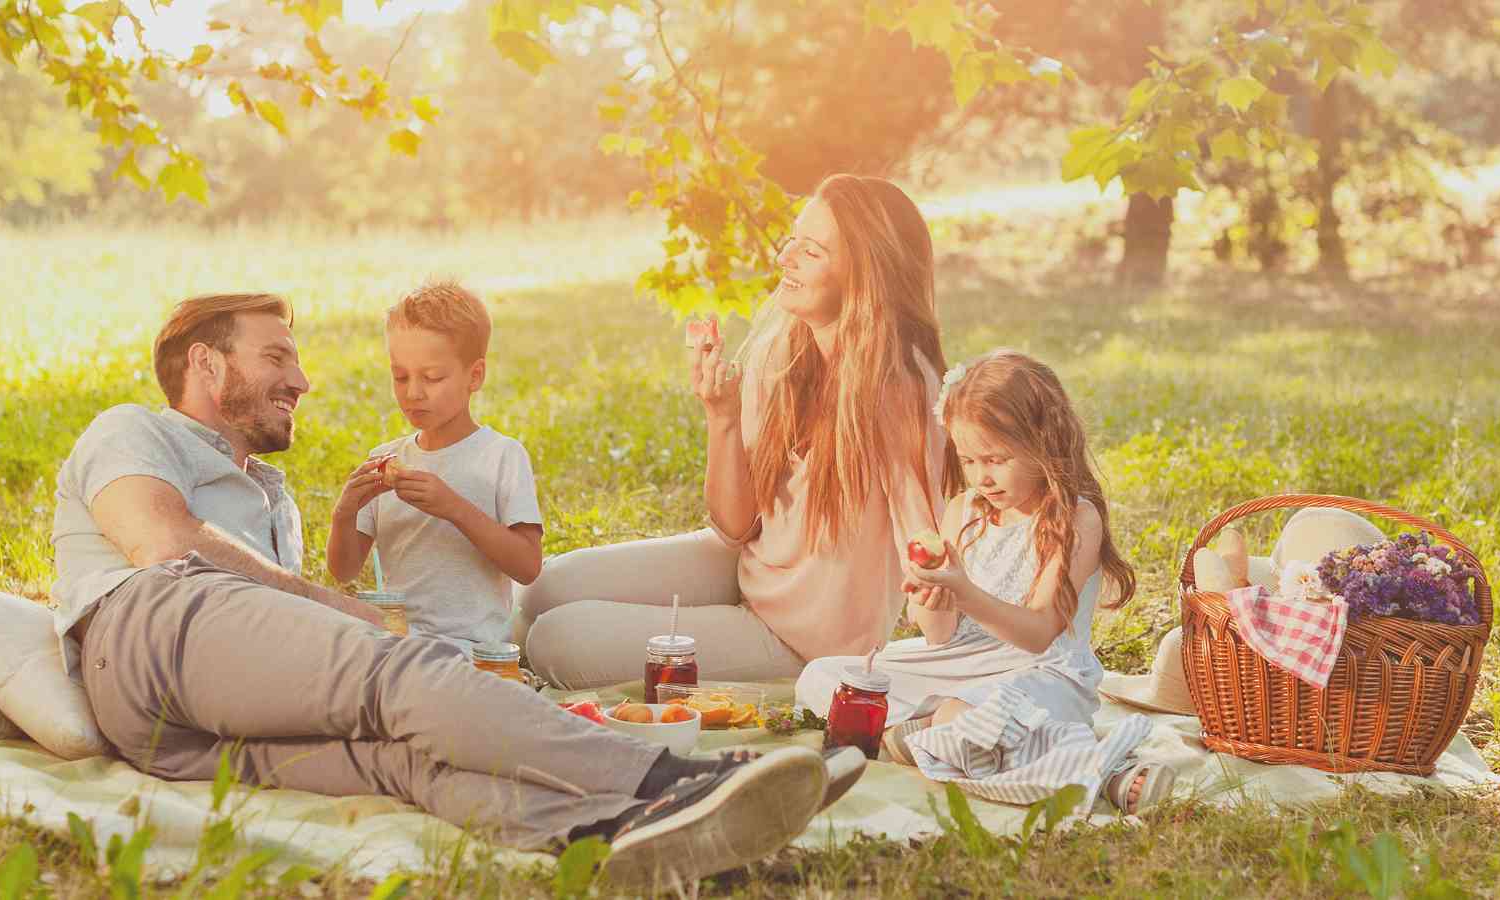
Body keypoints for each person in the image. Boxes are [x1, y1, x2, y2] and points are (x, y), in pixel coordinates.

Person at [49, 292, 841, 885]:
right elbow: (161, 541)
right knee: (400, 672)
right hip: (153, 625)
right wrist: (347, 613)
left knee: (402, 760)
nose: (303, 379)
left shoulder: (272, 496)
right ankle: (677, 779)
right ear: (207, 364)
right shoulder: (131, 428)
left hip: (174, 736)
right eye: (277, 357)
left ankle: (621, 832)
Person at [519, 174, 955, 687]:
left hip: (800, 643)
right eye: (792, 239)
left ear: (866, 277)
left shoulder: (899, 389)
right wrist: (721, 415)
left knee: (556, 640)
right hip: (745, 570)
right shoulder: (786, 353)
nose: (785, 258)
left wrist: (946, 659)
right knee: (540, 590)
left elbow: (930, 548)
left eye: (811, 251)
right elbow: (735, 526)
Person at [795, 349, 1176, 814]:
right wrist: (932, 597)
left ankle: (1105, 770)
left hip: (1042, 673)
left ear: (1043, 441)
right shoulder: (964, 510)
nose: (982, 478)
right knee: (826, 680)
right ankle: (942, 735)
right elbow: (940, 636)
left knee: (970, 715)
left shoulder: (1075, 518)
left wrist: (965, 592)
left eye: (996, 459)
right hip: (964, 663)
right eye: (969, 460)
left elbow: (1038, 634)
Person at [326, 282, 543, 646]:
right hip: (399, 644)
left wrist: (453, 507)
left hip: (475, 648)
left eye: (432, 378)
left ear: (474, 376)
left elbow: (527, 566)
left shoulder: (501, 456)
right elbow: (344, 570)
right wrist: (344, 514)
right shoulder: (386, 459)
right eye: (400, 376)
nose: (413, 393)